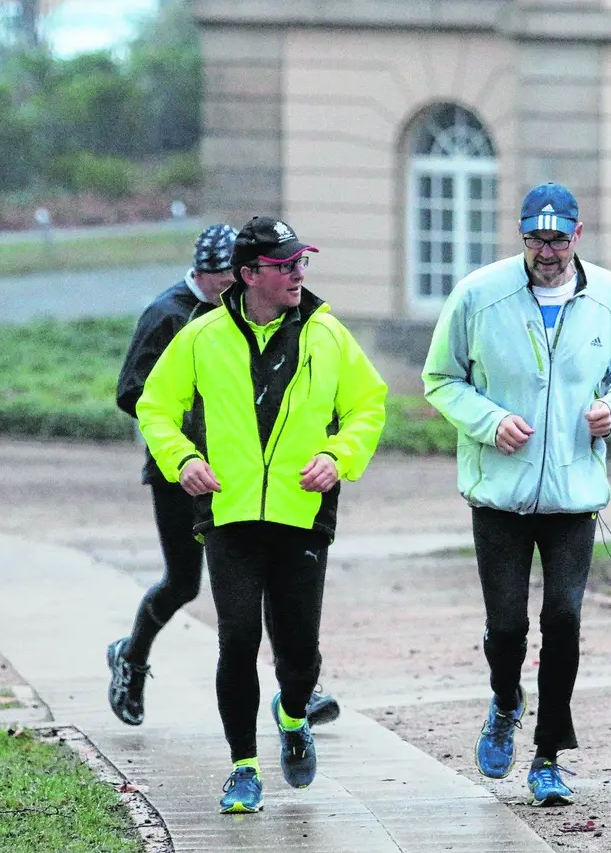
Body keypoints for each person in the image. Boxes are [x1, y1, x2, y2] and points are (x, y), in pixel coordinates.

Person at [135, 216, 388, 814]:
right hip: (230, 513)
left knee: (299, 654)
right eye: (284, 265)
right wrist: (182, 460)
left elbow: (367, 405)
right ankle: (243, 766)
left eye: (302, 263)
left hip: (303, 513)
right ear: (249, 275)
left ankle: (293, 714)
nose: (298, 273)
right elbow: (155, 406)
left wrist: (338, 455)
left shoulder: (326, 335)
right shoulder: (201, 336)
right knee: (239, 637)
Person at [422, 182, 611, 807]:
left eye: (558, 238)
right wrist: (488, 420)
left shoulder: (607, 295)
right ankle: (503, 700)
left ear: (578, 235)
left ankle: (548, 756)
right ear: (521, 236)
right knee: (507, 623)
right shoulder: (479, 294)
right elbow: (440, 378)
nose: (546, 251)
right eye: (535, 238)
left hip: (575, 493)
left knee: (565, 619)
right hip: (500, 491)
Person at [106, 224, 341, 730]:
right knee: (185, 582)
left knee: (274, 577)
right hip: (180, 472)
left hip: (247, 475)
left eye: (225, 279)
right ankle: (131, 656)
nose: (221, 290)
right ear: (204, 274)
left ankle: (298, 688)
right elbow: (133, 392)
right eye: (214, 280)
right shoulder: (169, 316)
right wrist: (192, 442)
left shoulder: (273, 316)